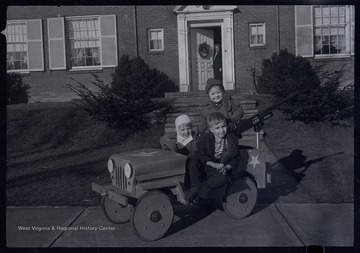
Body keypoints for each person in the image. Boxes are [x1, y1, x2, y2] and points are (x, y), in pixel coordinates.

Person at [185, 112, 239, 204]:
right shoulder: (205, 138)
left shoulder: (231, 139)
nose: (221, 130)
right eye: (217, 128)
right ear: (211, 129)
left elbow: (236, 158)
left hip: (218, 169)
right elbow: (200, 154)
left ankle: (196, 190)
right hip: (207, 165)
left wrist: (226, 167)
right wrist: (213, 164)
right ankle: (194, 186)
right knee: (193, 160)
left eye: (224, 126)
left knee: (223, 178)